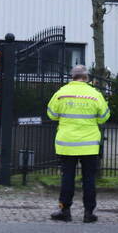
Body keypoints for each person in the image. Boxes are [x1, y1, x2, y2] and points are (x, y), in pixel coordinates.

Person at [47, 65, 109, 223]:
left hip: (67, 143)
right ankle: (89, 212)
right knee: (89, 179)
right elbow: (104, 117)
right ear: (86, 77)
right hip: (89, 145)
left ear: (72, 77)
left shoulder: (61, 94)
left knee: (67, 178)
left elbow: (52, 115)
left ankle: (65, 210)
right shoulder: (95, 94)